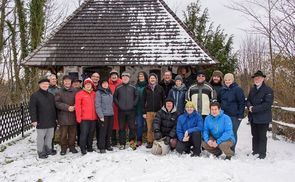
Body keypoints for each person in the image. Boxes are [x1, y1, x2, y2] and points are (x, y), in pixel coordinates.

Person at [247, 70, 274, 159]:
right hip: (253, 118)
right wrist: (249, 106)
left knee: (262, 136)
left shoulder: (268, 90)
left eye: (258, 78)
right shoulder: (252, 89)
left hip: (263, 118)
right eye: (255, 78)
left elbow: (267, 104)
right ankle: (255, 151)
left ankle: (262, 154)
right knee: (254, 135)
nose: (256, 79)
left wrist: (253, 109)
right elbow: (248, 100)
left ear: (263, 79)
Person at [29, 78, 57, 159]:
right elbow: (32, 108)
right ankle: (41, 152)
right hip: (41, 120)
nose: (45, 85)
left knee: (50, 137)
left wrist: (56, 118)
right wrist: (34, 120)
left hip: (51, 120)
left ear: (49, 85)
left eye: (47, 84)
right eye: (43, 84)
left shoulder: (51, 96)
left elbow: (53, 108)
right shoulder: (35, 95)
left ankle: (48, 150)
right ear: (39, 85)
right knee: (41, 138)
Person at [219, 73, 245, 152]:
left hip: (234, 115)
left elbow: (242, 102)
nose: (227, 81)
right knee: (225, 132)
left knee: (232, 132)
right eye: (226, 80)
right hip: (224, 115)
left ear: (232, 80)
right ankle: (224, 148)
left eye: (229, 80)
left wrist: (240, 114)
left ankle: (231, 150)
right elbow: (220, 101)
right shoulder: (222, 90)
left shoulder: (237, 89)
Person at [113, 72, 139, 150]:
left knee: (132, 127)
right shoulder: (118, 87)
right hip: (121, 111)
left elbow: (137, 96)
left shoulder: (133, 87)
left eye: (126, 77)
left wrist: (134, 104)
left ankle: (132, 143)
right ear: (121, 78)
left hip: (131, 111)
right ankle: (122, 143)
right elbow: (115, 98)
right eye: (123, 76)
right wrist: (119, 105)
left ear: (129, 78)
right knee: (122, 128)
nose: (125, 78)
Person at [55, 75, 78, 155]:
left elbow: (78, 101)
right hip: (63, 116)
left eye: (68, 81)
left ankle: (72, 147)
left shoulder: (75, 91)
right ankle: (63, 148)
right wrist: (67, 107)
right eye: (65, 81)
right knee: (63, 134)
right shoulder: (59, 91)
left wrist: (75, 106)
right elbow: (57, 103)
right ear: (63, 82)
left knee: (73, 134)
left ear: (71, 82)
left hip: (73, 116)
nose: (67, 82)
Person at [75, 78, 98, 155]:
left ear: (91, 85)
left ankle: (89, 147)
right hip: (84, 118)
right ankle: (83, 148)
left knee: (91, 134)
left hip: (93, 118)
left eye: (89, 84)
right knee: (84, 134)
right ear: (84, 85)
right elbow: (78, 107)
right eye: (86, 84)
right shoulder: (79, 94)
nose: (88, 85)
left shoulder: (94, 94)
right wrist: (78, 117)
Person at [142, 73, 165, 148]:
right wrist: (144, 112)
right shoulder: (146, 88)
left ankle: (157, 141)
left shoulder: (160, 88)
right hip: (149, 111)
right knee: (149, 128)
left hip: (158, 111)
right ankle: (150, 141)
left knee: (158, 127)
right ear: (149, 80)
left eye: (154, 78)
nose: (152, 79)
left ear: (156, 79)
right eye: (151, 78)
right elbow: (143, 101)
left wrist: (163, 110)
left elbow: (163, 100)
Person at [95, 79, 114, 153]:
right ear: (101, 85)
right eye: (104, 83)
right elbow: (97, 105)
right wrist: (100, 116)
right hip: (103, 115)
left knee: (109, 131)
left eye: (106, 83)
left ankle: (108, 145)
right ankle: (101, 147)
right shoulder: (99, 93)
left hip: (110, 114)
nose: (105, 84)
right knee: (103, 132)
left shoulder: (109, 92)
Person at [108, 69, 122, 146]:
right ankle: (113, 140)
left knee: (121, 124)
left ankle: (121, 139)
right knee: (112, 124)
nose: (114, 76)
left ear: (117, 76)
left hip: (120, 107)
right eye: (112, 75)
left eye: (115, 75)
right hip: (111, 107)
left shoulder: (121, 83)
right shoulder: (107, 84)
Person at [47, 73, 59, 153]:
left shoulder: (58, 89)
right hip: (48, 113)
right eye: (52, 79)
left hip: (56, 113)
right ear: (49, 80)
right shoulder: (46, 89)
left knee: (52, 131)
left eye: (55, 79)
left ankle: (51, 147)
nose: (54, 80)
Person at [135, 71, 148, 147]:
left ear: (145, 77)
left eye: (142, 76)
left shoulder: (148, 86)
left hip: (147, 108)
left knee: (149, 125)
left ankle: (149, 139)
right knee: (139, 125)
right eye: (139, 76)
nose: (141, 77)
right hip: (138, 109)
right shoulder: (136, 87)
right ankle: (139, 139)